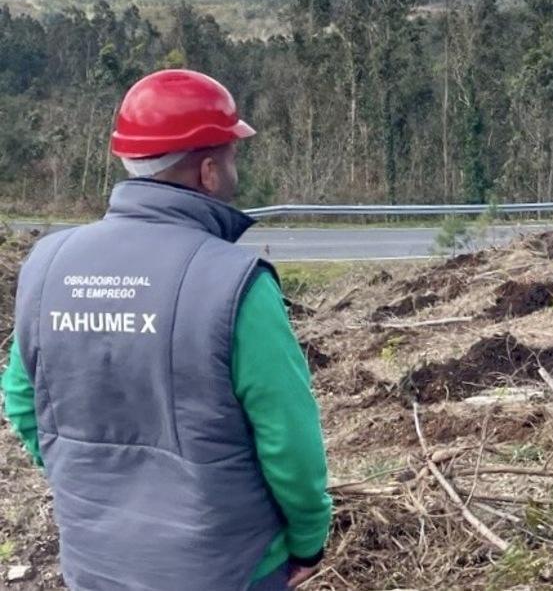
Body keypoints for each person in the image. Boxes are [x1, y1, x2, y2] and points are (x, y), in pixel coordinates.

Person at [1, 70, 332, 591]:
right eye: (231, 155)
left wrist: (89, 480)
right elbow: (288, 438)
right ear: (207, 172)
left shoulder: (46, 265)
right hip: (228, 568)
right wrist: (310, 537)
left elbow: (22, 402)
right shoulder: (234, 282)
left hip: (94, 564)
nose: (233, 168)